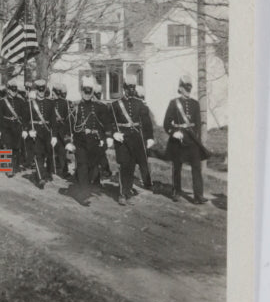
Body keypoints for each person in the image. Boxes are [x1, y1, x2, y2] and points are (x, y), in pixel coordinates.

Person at [163, 73, 208, 204]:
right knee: (177, 167)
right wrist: (174, 132)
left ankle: (198, 196)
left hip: (192, 140)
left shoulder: (195, 104)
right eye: (185, 87)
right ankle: (176, 191)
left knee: (196, 168)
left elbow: (198, 124)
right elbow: (166, 123)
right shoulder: (174, 103)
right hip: (178, 141)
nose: (188, 90)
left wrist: (197, 138)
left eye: (189, 87)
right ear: (180, 88)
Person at [110, 74, 154, 204]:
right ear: (124, 87)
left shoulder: (139, 104)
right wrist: (114, 133)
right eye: (129, 87)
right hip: (122, 139)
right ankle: (123, 193)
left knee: (131, 166)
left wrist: (150, 137)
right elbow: (110, 122)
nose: (131, 89)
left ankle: (128, 189)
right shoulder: (115, 105)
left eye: (133, 87)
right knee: (124, 165)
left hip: (136, 139)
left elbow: (147, 122)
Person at [72, 76, 113, 189]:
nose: (87, 94)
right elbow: (69, 125)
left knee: (92, 166)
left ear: (92, 92)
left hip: (94, 142)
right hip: (80, 141)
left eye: (89, 92)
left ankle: (86, 182)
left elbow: (107, 122)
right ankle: (83, 191)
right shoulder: (75, 107)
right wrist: (67, 141)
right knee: (82, 165)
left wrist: (109, 136)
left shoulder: (100, 107)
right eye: (85, 91)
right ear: (81, 91)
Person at [0, 80, 27, 177]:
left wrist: (24, 129)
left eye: (15, 90)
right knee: (7, 147)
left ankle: (15, 166)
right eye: (12, 89)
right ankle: (8, 167)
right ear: (8, 89)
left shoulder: (21, 101)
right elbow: (0, 117)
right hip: (6, 127)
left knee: (16, 148)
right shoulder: (2, 101)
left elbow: (24, 116)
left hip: (17, 127)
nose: (14, 91)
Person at [25, 79, 51, 188]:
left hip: (46, 132)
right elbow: (25, 118)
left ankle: (43, 172)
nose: (41, 92)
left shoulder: (50, 103)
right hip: (35, 131)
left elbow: (53, 120)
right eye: (39, 90)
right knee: (38, 154)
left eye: (42, 90)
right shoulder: (31, 103)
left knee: (45, 154)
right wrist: (28, 130)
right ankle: (40, 178)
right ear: (36, 91)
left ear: (45, 90)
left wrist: (53, 135)